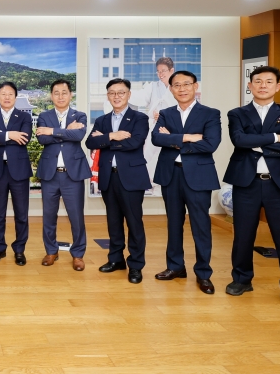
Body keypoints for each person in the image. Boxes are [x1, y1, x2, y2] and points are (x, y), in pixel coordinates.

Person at [223, 66, 280, 311]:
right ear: (250, 86)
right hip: (246, 182)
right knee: (243, 235)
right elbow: (239, 140)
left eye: (269, 81)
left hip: (279, 183)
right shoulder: (237, 113)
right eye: (258, 81)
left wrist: (256, 143)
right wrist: (274, 137)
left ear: (277, 86)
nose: (263, 85)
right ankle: (242, 279)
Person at [150, 70, 221, 294]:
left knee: (201, 225)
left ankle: (204, 273)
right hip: (171, 174)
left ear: (195, 86)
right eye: (177, 85)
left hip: (199, 176)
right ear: (171, 89)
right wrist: (188, 137)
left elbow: (210, 144)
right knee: (174, 223)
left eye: (186, 84)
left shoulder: (210, 113)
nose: (182, 89)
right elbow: (156, 138)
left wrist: (172, 139)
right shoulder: (166, 113)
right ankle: (175, 266)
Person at [85, 78, 151, 284]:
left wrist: (105, 139)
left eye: (121, 92)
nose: (117, 96)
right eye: (112, 93)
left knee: (134, 222)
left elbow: (135, 143)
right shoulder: (102, 120)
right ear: (108, 96)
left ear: (129, 94)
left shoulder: (139, 118)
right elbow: (90, 142)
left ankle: (136, 265)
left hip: (131, 177)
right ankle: (116, 259)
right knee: (113, 221)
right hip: (108, 176)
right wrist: (113, 135)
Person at [35, 79, 92, 269]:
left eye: (64, 92)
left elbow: (78, 136)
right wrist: (66, 131)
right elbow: (42, 139)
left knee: (76, 217)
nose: (60, 96)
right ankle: (51, 251)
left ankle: (78, 254)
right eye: (56, 93)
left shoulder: (80, 115)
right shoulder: (44, 115)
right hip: (50, 174)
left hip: (72, 175)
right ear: (51, 96)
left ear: (70, 94)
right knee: (49, 216)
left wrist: (52, 131)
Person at [0, 82, 32, 266]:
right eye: (3, 94)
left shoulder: (25, 116)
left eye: (10, 94)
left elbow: (24, 139)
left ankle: (19, 250)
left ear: (15, 97)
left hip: (19, 171)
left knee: (21, 214)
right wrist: (10, 135)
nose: (7, 97)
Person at [128, 57, 180, 195]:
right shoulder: (153, 86)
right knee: (148, 152)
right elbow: (140, 97)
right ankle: (147, 181)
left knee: (169, 154)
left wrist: (165, 116)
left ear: (171, 70)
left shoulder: (177, 86)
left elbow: (182, 107)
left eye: (163, 71)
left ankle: (165, 182)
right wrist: (125, 92)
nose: (160, 74)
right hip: (156, 125)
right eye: (158, 71)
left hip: (173, 127)